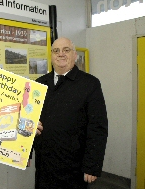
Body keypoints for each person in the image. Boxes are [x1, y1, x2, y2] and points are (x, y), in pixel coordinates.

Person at [32, 37, 108, 189]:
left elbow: (97, 127)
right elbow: (29, 119)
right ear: (51, 56)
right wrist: (24, 153)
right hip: (44, 166)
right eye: (56, 51)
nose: (61, 54)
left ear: (75, 55)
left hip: (74, 168)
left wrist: (92, 166)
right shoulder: (39, 84)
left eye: (66, 50)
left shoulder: (90, 84)